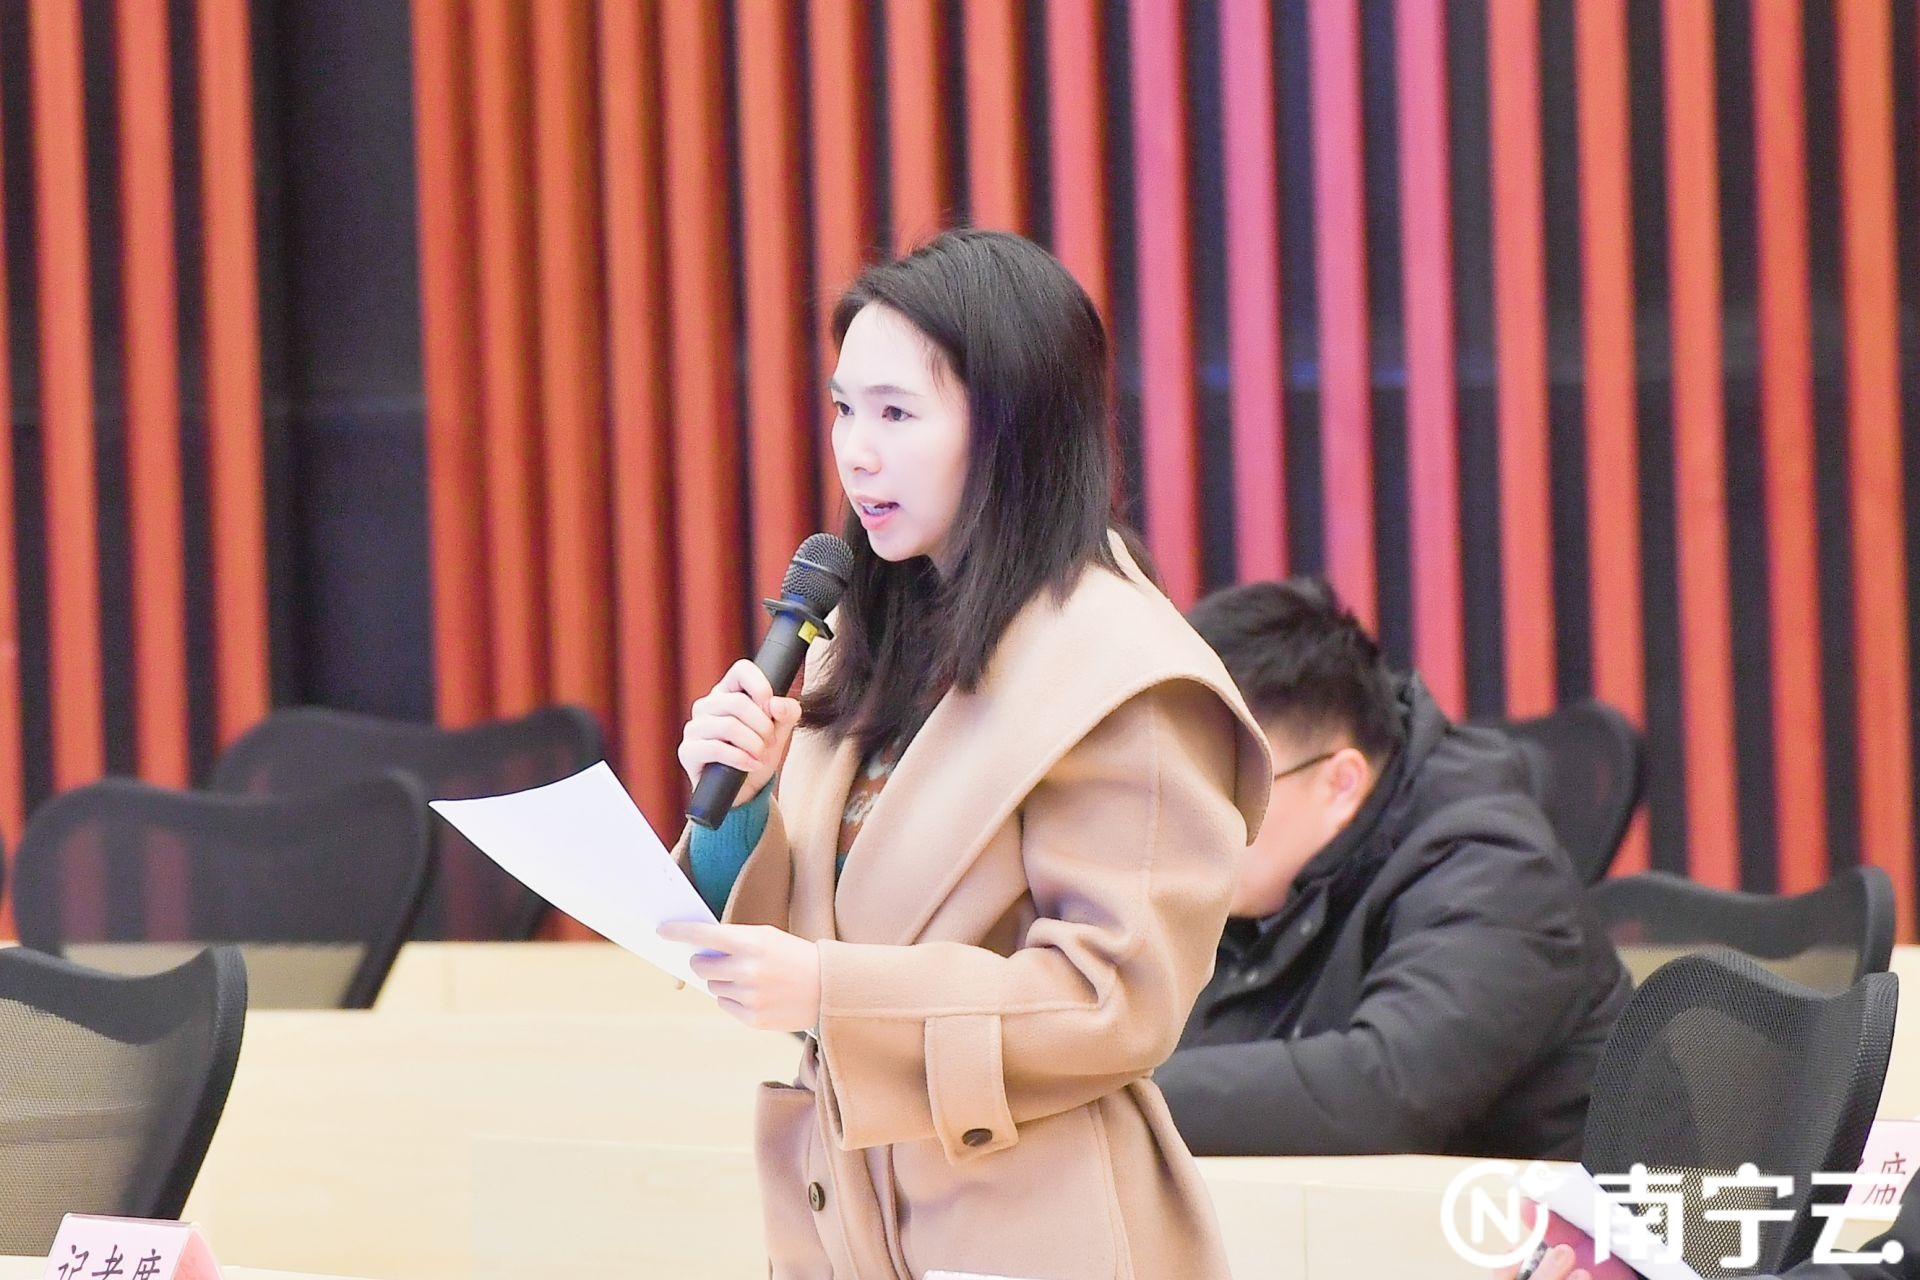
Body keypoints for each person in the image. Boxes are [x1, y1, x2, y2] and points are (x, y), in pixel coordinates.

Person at [657, 229, 1270, 1279]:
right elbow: (817, 932)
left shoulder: (1123, 672)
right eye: (845, 408)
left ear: (1013, 428)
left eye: (897, 413)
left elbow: (1114, 1001)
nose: (856, 451)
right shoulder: (865, 633)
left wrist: (830, 992)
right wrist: (743, 811)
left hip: (1034, 1230)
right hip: (848, 1218)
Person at [1152, 578, 1631, 1158]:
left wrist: (1118, 1100)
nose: (1189, 830)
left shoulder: (1497, 872)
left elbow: (1381, 1093)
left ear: (1340, 783)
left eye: (1225, 791)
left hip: (1548, 1214)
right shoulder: (1269, 884)